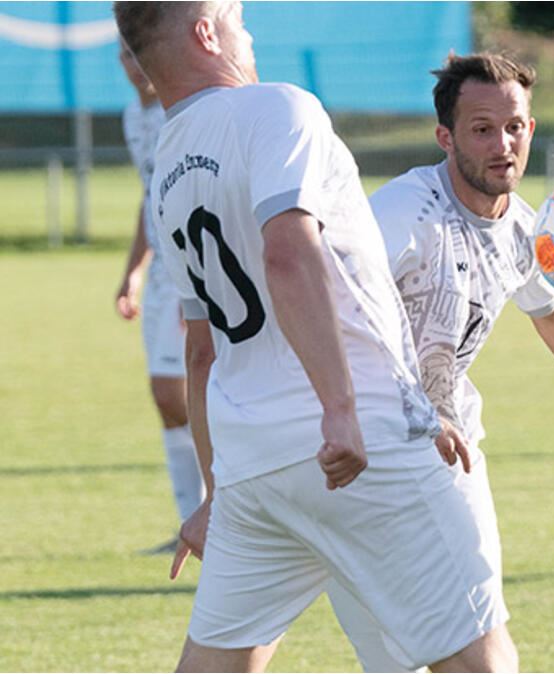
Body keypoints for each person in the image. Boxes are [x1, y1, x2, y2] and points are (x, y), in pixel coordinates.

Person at [114, 2, 517, 671]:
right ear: (206, 34)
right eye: (236, 19)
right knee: (479, 659)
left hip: (251, 466)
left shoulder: (170, 162)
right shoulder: (277, 108)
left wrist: (215, 494)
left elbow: (201, 347)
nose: (250, 34)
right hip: (357, 442)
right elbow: (288, 254)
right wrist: (341, 410)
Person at [324, 52, 554, 671]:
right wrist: (403, 409)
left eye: (515, 126)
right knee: (404, 658)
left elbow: (550, 307)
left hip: (450, 453)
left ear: (532, 129)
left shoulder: (524, 230)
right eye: (482, 129)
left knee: (481, 642)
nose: (503, 144)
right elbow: (332, 307)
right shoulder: (401, 216)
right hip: (358, 454)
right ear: (445, 137)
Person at [112, 40, 204, 552]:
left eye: (139, 53)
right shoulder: (134, 116)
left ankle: (222, 515)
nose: (133, 65)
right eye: (124, 54)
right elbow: (150, 200)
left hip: (190, 270)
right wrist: (133, 273)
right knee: (168, 400)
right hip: (161, 278)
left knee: (178, 391)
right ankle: (190, 524)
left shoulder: (184, 114)